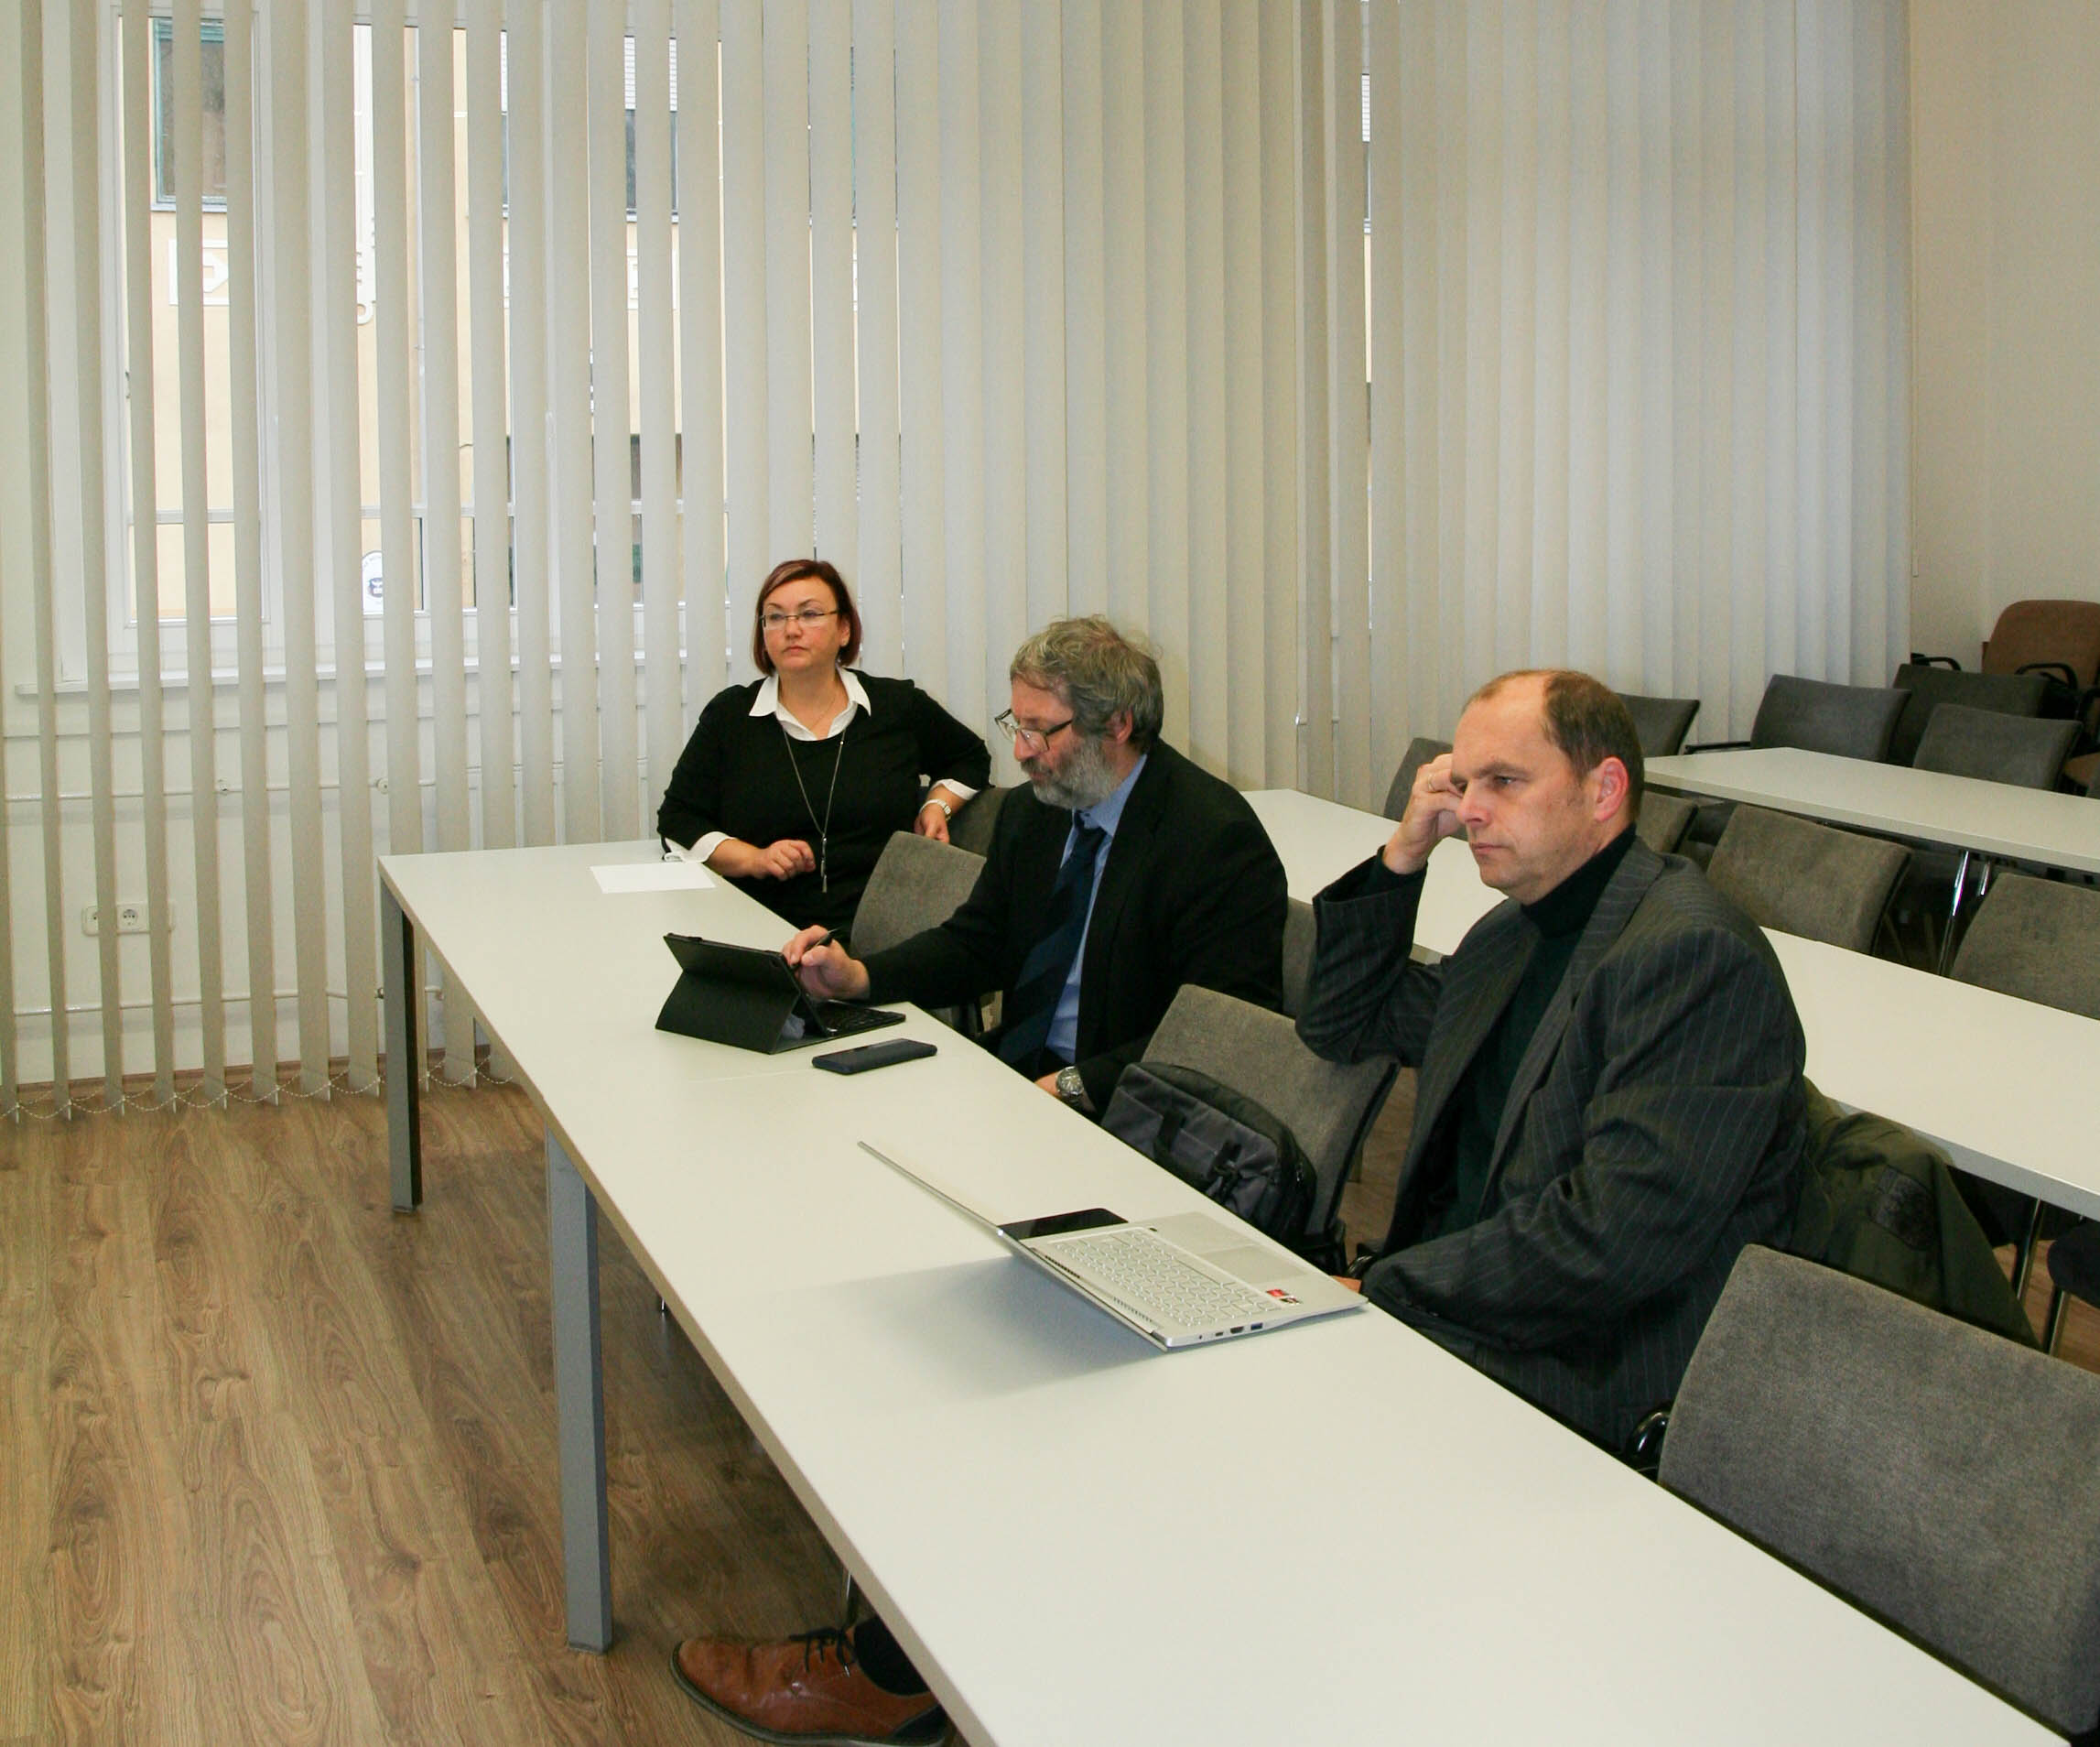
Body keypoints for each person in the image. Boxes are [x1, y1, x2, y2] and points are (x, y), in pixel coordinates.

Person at [669, 618, 1288, 1745]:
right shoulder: (1041, 812)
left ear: (1116, 727)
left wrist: (1073, 1090)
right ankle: (907, 1581)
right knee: (858, 1254)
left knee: (961, 1359)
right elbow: (981, 941)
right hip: (1028, 1095)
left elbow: (1217, 1038)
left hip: (1129, 1136)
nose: (1022, 752)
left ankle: (894, 1665)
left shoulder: (1212, 838)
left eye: (1042, 732)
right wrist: (864, 976)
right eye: (1017, 724)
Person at [1298, 668, 1807, 1452]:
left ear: (1604, 791)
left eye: (1504, 782)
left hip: (1575, 1371)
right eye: (1463, 783)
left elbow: (1611, 1238)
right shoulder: (1511, 933)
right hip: (1459, 1314)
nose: (1470, 810)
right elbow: (1342, 1023)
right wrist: (1403, 855)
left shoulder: (1692, 959)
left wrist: (1388, 1288)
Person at [656, 559, 992, 938]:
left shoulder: (896, 706)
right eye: (775, 617)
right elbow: (678, 819)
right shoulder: (730, 717)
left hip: (879, 935)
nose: (791, 629)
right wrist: (755, 859)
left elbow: (970, 757)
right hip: (758, 930)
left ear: (844, 629)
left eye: (810, 614)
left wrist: (938, 805)